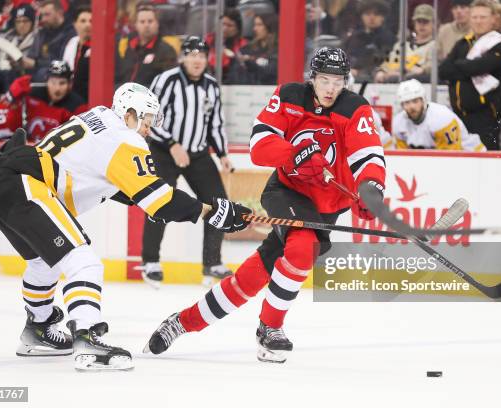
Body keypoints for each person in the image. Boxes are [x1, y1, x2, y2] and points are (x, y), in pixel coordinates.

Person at [0, 82, 251, 371]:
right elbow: (158, 199)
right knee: (83, 263)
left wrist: (146, 200)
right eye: (147, 121)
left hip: (1, 181)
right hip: (25, 183)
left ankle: (39, 329)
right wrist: (212, 211)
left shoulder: (99, 117)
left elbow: (113, 182)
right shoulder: (126, 139)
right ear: (130, 114)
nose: (149, 129)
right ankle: (87, 339)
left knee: (42, 263)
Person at [143, 47, 387, 364]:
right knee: (301, 249)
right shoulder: (288, 96)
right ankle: (270, 327)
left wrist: (370, 192)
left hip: (326, 207)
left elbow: (368, 157)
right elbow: (260, 146)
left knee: (253, 276)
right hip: (286, 192)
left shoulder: (356, 109)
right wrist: (294, 155)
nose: (330, 88)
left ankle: (182, 321)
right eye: (324, 80)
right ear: (312, 78)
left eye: (337, 81)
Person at [142, 36, 233, 288]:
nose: (197, 60)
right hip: (164, 151)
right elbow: (151, 118)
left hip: (198, 154)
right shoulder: (166, 80)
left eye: (201, 56)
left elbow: (215, 123)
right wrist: (172, 144)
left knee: (220, 205)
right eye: (192, 55)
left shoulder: (212, 86)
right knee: (159, 203)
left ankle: (212, 263)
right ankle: (150, 262)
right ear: (183, 57)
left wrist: (223, 154)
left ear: (207, 60)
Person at [439, 0, 501, 150]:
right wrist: (468, 68)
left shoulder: (500, 43)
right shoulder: (463, 43)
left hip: (484, 115)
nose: (478, 21)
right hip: (458, 115)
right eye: (475, 17)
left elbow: (481, 66)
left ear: (493, 19)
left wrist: (459, 66)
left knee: (487, 160)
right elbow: (443, 70)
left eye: (483, 17)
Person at [390, 79, 485, 151]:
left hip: (471, 156)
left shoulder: (441, 118)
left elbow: (450, 156)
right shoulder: (398, 123)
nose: (411, 107)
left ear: (423, 100)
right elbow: (403, 156)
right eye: (406, 103)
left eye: (415, 101)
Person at [5, 60, 87, 143]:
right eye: (53, 82)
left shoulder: (77, 106)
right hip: (29, 150)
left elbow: (77, 140)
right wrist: (14, 103)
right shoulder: (33, 94)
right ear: (46, 81)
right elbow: (13, 128)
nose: (57, 88)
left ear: (70, 84)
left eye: (62, 83)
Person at [115, 2, 177, 87]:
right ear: (135, 25)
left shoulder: (166, 51)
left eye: (150, 21)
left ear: (157, 24)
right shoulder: (127, 47)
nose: (146, 25)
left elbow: (167, 84)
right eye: (142, 22)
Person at [374, 4, 435, 83]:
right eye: (419, 21)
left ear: (433, 23)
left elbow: (430, 68)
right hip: (394, 81)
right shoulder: (401, 45)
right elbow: (389, 63)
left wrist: (419, 70)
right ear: (414, 23)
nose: (421, 25)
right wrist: (381, 71)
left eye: (425, 22)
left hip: (419, 83)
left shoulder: (434, 45)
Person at [343, 0, 396, 82]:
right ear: (362, 16)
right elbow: (346, 56)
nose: (372, 17)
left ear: (383, 17)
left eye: (376, 14)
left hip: (376, 79)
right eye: (367, 14)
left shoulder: (389, 38)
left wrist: (360, 71)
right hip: (351, 77)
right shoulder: (354, 37)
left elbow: (385, 61)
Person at [24, 0, 76, 80]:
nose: (43, 19)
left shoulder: (71, 35)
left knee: (41, 73)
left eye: (47, 15)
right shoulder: (41, 33)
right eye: (42, 15)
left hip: (58, 77)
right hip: (37, 73)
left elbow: (63, 64)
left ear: (60, 13)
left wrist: (36, 64)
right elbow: (31, 56)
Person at [229, 14, 278, 85]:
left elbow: (269, 73)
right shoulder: (246, 49)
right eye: (255, 25)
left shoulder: (277, 51)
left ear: (270, 27)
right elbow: (234, 75)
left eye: (259, 25)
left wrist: (249, 62)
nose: (254, 29)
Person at [0, 4, 37, 82]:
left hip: (25, 78)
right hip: (1, 75)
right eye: (18, 21)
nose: (21, 25)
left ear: (32, 22)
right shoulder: (6, 38)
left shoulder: (38, 40)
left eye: (25, 21)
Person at [205, 8, 247, 84]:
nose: (225, 28)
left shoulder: (242, 44)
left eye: (230, 25)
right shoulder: (208, 39)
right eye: (223, 24)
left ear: (237, 29)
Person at [62, 6, 91, 100]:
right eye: (83, 21)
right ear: (75, 24)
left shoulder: (99, 47)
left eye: (91, 21)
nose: (88, 25)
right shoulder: (72, 42)